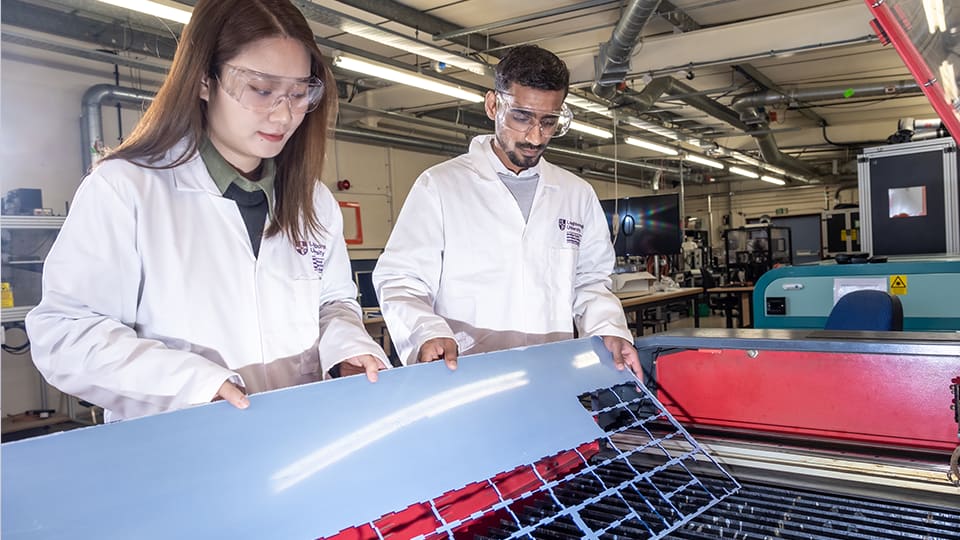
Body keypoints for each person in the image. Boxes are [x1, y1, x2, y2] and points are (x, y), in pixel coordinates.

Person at [25, 0, 388, 422]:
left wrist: (348, 349)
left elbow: (334, 302)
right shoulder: (127, 187)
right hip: (179, 445)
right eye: (261, 89)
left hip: (296, 433)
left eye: (298, 93)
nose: (285, 114)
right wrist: (192, 383)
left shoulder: (314, 200)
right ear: (203, 80)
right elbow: (66, 333)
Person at [372, 45, 640, 372]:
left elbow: (591, 281)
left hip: (552, 371)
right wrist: (427, 333)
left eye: (549, 121)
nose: (535, 136)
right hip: (466, 373)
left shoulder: (576, 193)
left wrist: (609, 330)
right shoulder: (440, 186)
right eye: (522, 117)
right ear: (493, 105)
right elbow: (401, 279)